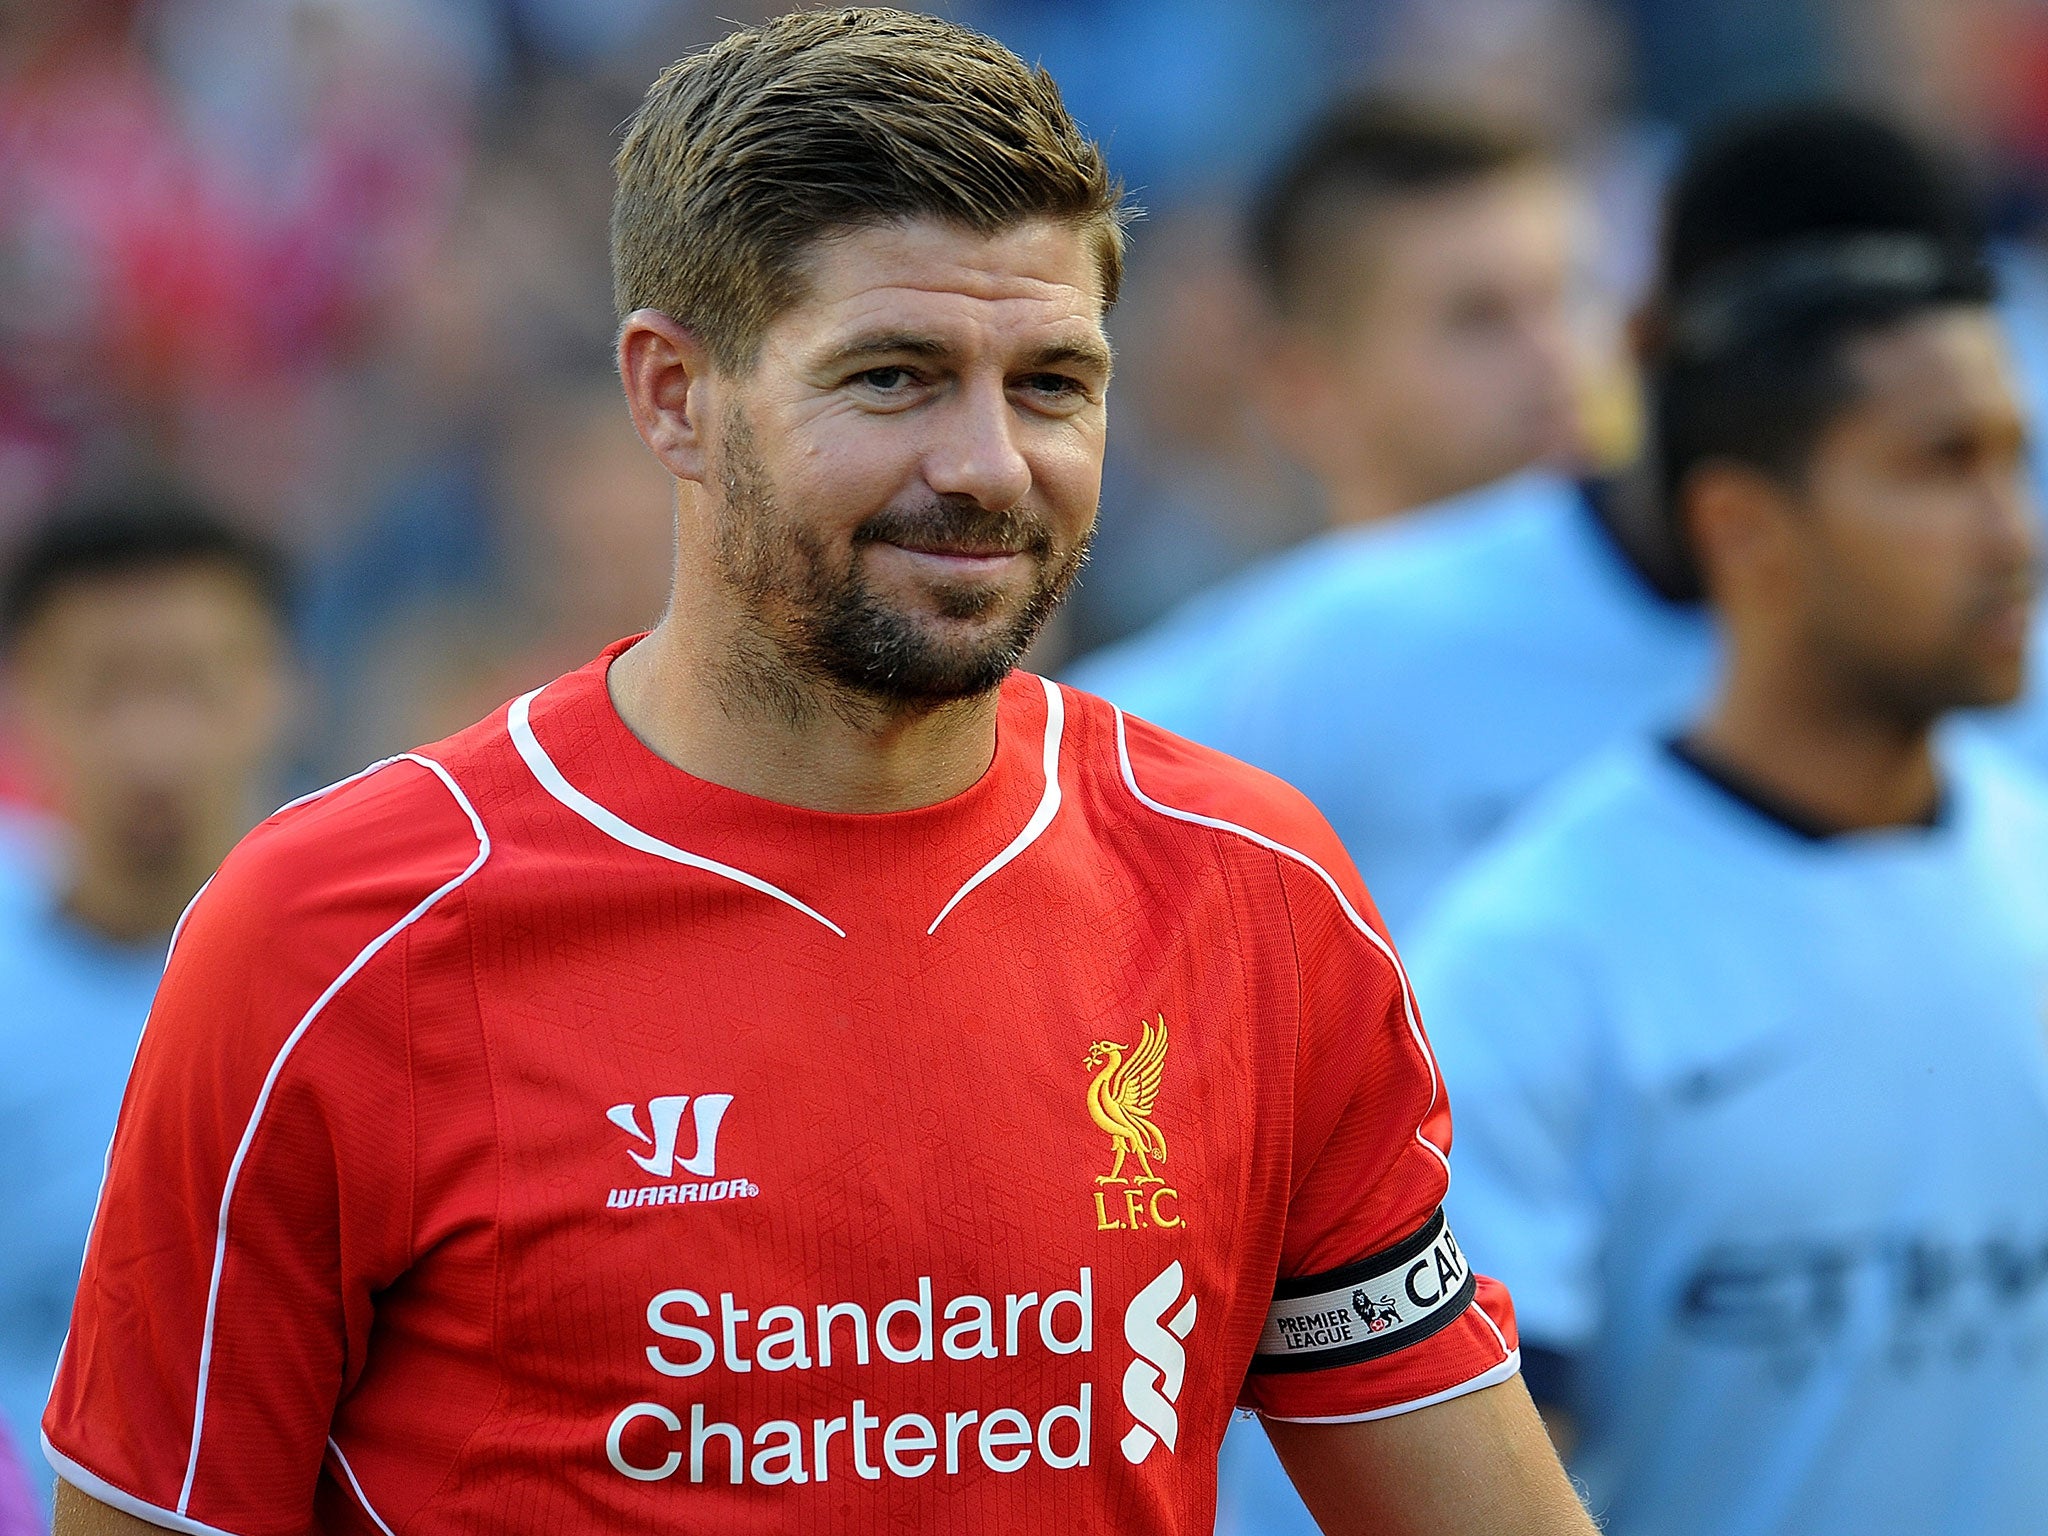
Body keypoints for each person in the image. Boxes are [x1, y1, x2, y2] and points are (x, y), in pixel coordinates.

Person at [42, 13, 1590, 1536]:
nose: (988, 463)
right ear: (671, 397)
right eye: (894, 376)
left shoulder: (1251, 890)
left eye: (1052, 381)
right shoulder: (337, 935)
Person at [1412, 110, 2048, 1534]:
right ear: (1747, 530)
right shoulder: (1536, 962)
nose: (2014, 533)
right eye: (1940, 467)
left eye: (2014, 458)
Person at [1067, 101, 1691, 936]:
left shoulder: (1739, 645)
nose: (1560, 359)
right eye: (1478, 318)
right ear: (1304, 386)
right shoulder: (1179, 730)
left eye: (1574, 295)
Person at [0, 489, 293, 1512]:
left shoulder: (375, 965)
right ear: (25, 696)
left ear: (280, 688)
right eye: (105, 689)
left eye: (193, 685)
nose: (152, 741)